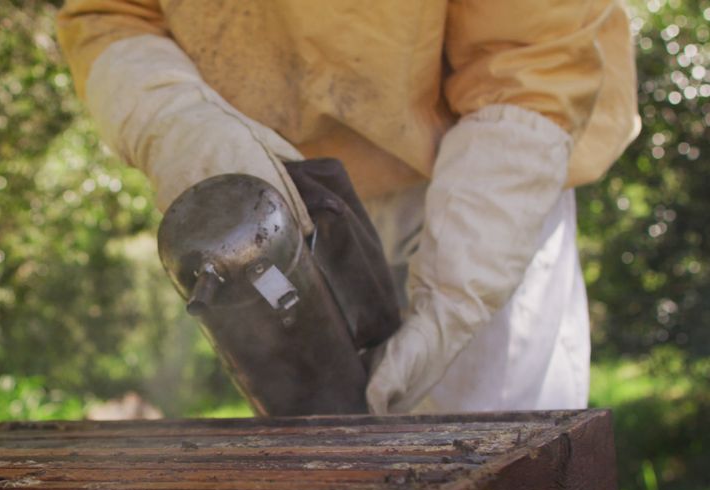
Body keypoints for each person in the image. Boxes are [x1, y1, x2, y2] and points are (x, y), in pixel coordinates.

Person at [55, 1, 640, 414]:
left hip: (479, 173)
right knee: (325, 465)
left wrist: (459, 289)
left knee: (502, 470)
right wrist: (172, 118)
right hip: (274, 195)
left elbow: (530, 61)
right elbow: (113, 16)